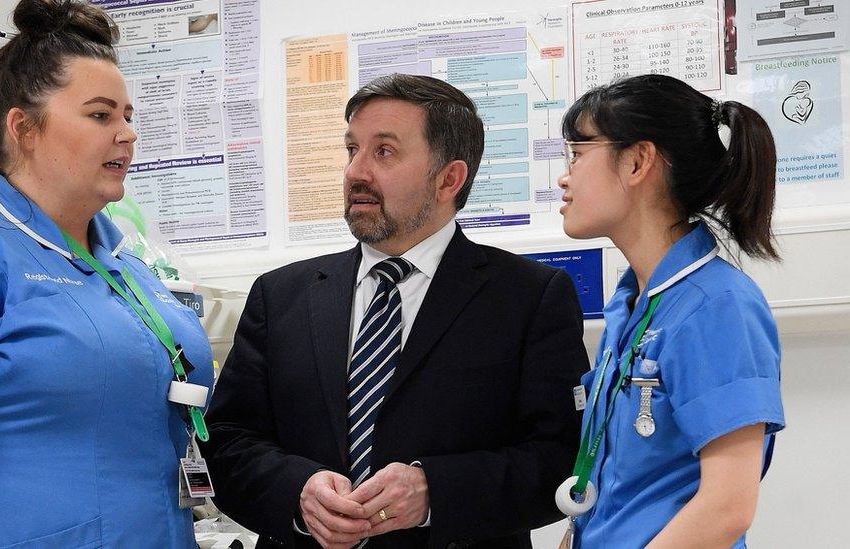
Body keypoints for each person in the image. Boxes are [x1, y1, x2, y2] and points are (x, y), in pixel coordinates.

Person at [0, 0, 214, 546]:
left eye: (129, 116)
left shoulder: (130, 270)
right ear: (24, 128)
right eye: (101, 115)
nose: (127, 134)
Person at [203, 73, 589, 549]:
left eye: (383, 152)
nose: (355, 172)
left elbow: (564, 458)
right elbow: (227, 442)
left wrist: (435, 492)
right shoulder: (280, 295)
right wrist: (297, 493)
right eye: (352, 150)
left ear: (449, 178)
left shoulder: (529, 297)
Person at [555, 74, 786, 548]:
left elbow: (727, 507)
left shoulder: (717, 307)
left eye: (577, 154)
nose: (564, 175)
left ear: (638, 161)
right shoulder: (630, 307)